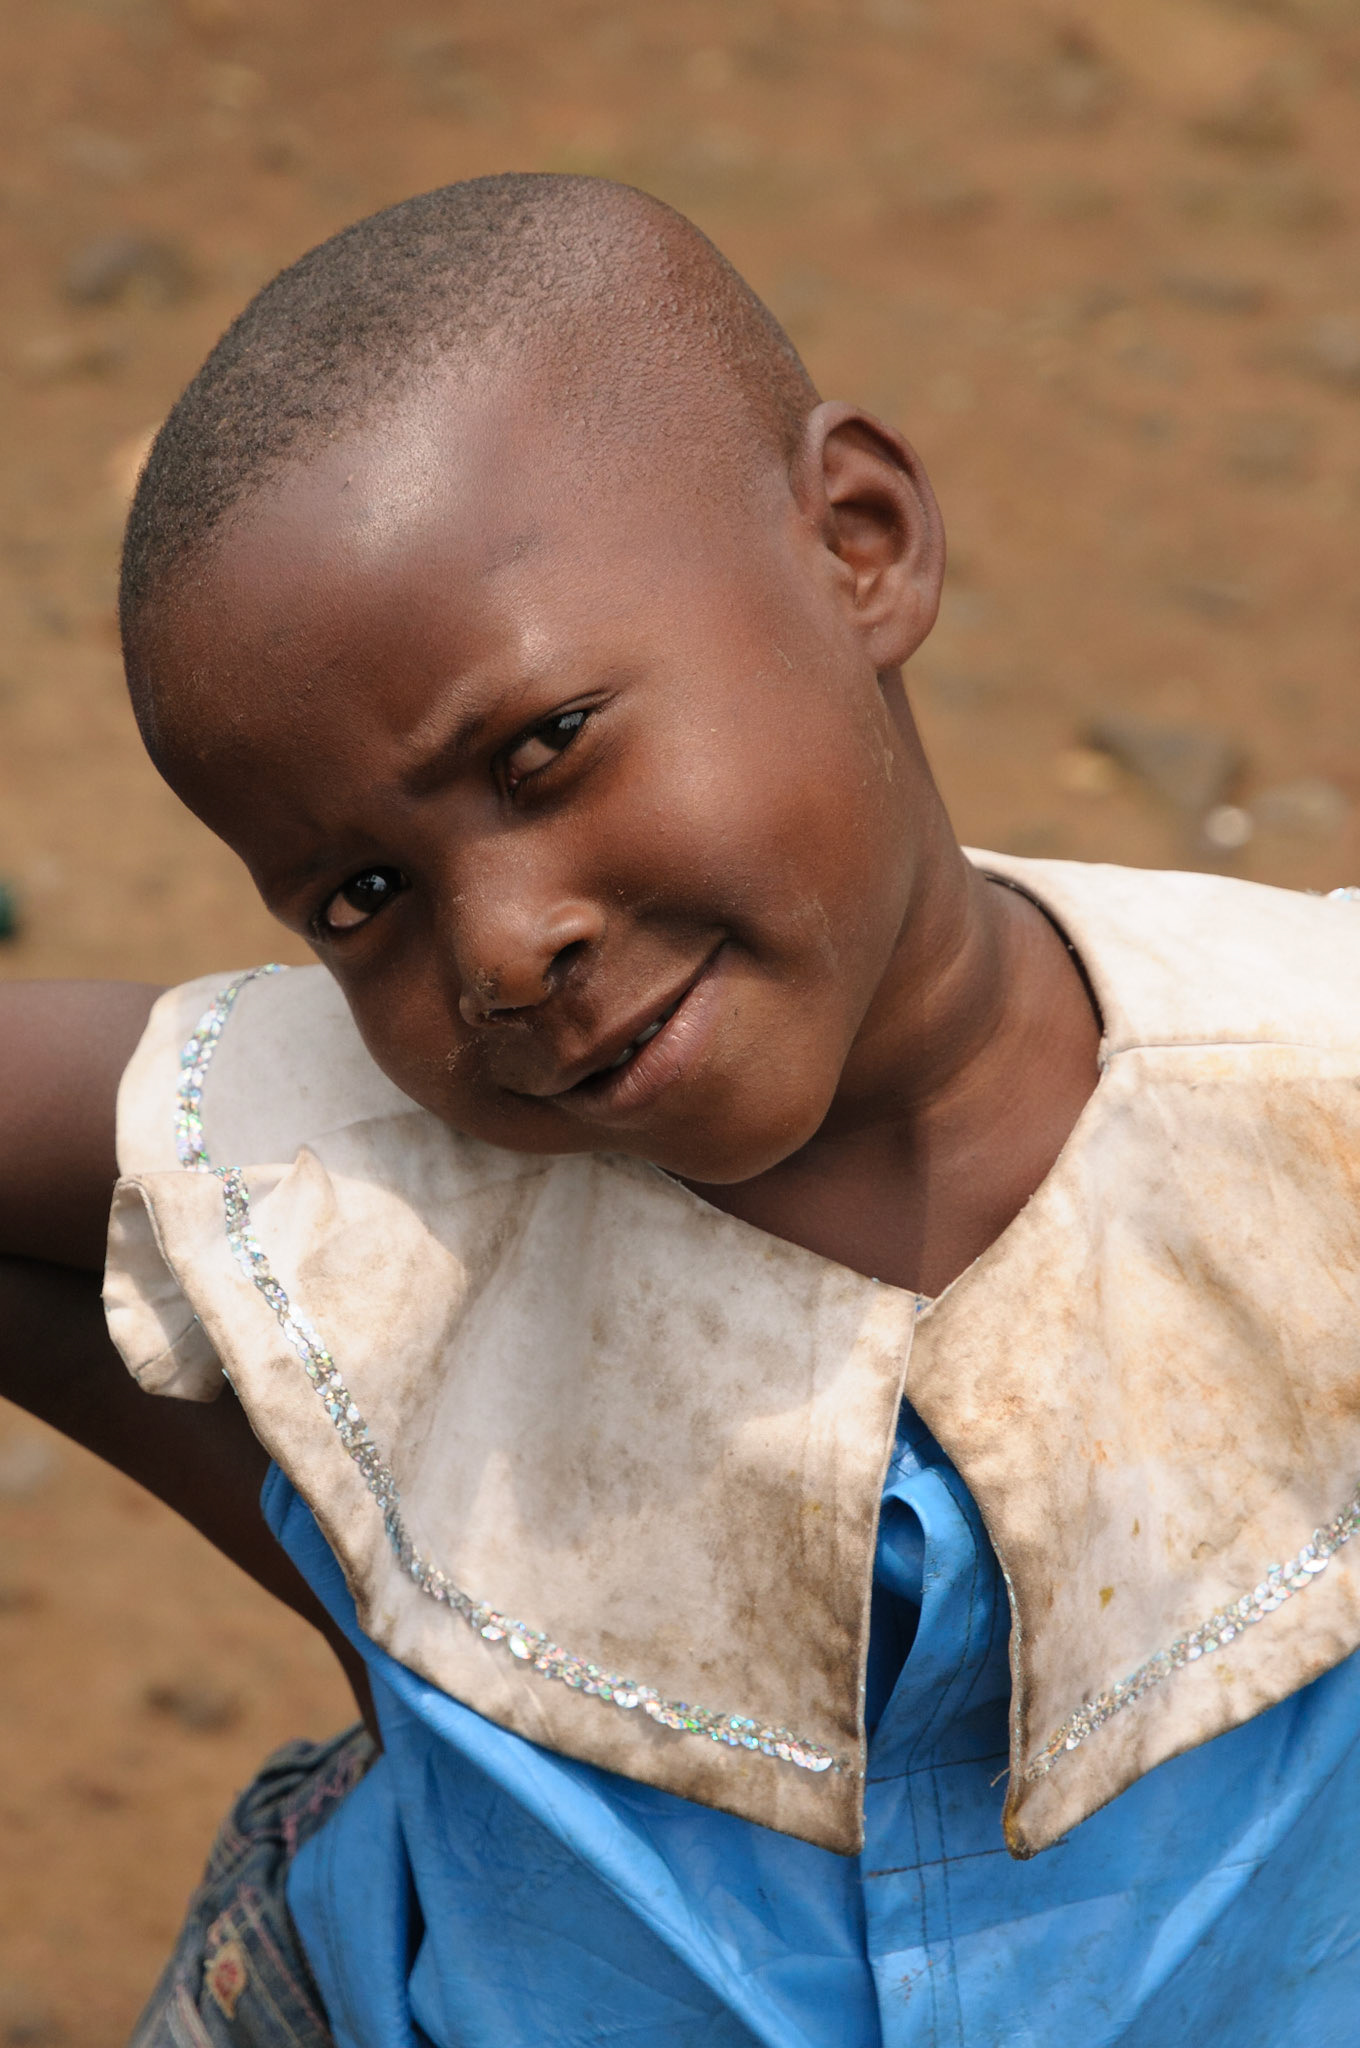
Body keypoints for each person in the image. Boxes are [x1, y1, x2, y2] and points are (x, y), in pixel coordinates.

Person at [4, 173, 1360, 2048]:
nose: (498, 946)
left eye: (542, 746)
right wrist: (356, 1546)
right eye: (356, 900)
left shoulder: (1324, 1096)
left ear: (860, 545)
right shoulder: (356, 1176)